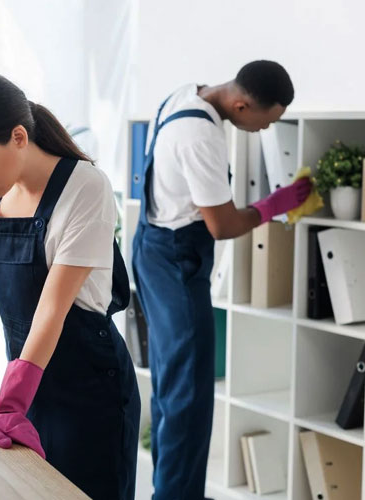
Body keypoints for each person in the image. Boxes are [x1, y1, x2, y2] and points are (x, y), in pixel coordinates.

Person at [0, 71, 140, 500]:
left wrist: (13, 398)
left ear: (18, 136)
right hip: (28, 387)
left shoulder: (86, 188)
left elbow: (52, 310)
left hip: (89, 392)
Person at [132, 60, 312, 499]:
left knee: (171, 387)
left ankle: (169, 491)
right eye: (264, 122)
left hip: (151, 249)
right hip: (177, 263)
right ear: (241, 104)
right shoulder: (202, 136)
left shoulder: (184, 93)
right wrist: (274, 205)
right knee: (189, 397)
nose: (262, 131)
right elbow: (223, 225)